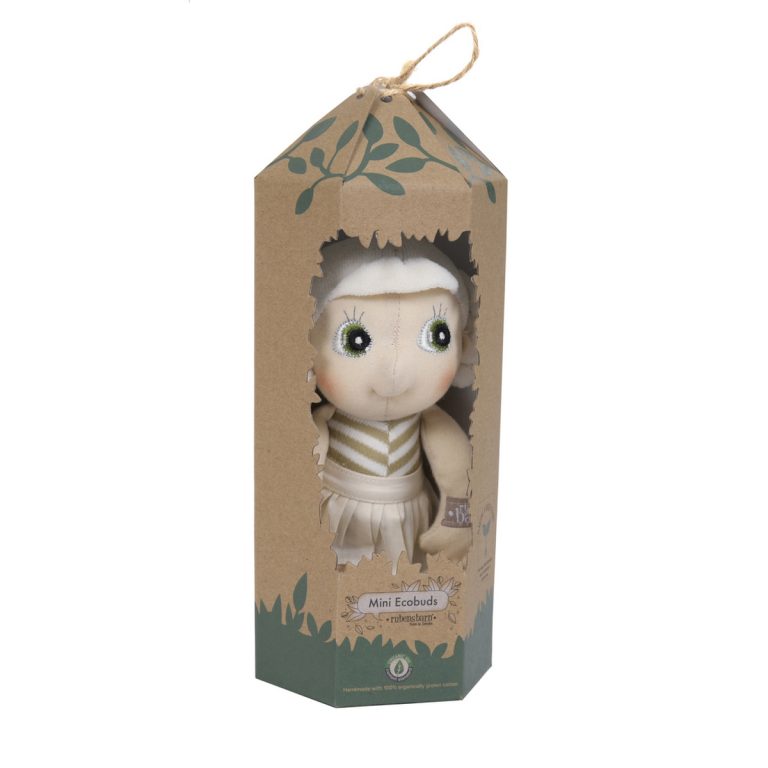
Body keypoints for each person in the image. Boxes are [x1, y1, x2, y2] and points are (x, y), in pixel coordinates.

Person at [309, 236, 477, 574]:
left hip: (408, 513)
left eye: (437, 336)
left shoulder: (433, 423)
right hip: (339, 509)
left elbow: (457, 474)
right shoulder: (321, 423)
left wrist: (456, 522)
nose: (395, 375)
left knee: (405, 575)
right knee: (332, 575)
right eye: (355, 340)